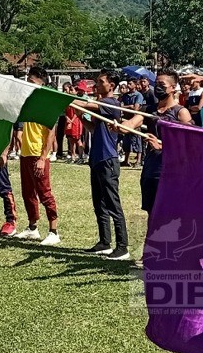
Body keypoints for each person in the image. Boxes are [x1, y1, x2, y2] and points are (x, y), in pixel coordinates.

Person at [73, 70, 129, 260]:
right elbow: (93, 129)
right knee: (99, 204)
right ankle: (105, 242)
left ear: (111, 86)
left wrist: (69, 100)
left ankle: (122, 246)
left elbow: (86, 103)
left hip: (108, 160)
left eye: (100, 81)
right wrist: (80, 116)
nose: (97, 84)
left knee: (113, 204)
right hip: (97, 158)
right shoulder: (101, 106)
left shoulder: (110, 103)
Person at [122, 69, 193, 216]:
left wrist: (162, 146)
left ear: (173, 87)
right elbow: (132, 123)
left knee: (171, 217)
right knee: (152, 215)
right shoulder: (149, 110)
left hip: (173, 172)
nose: (158, 88)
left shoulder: (181, 113)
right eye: (157, 84)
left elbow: (190, 143)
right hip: (151, 170)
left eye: (162, 84)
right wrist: (119, 126)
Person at [12, 67, 62, 244]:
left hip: (38, 154)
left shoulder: (48, 103)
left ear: (42, 82)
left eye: (32, 82)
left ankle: (53, 231)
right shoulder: (29, 101)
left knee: (44, 192)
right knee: (28, 193)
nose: (28, 84)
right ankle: (32, 227)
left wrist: (42, 158)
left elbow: (51, 134)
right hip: (25, 152)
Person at [121, 81, 146, 167]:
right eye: (128, 83)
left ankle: (138, 160)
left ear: (135, 85)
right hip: (126, 120)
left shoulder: (138, 95)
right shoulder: (125, 95)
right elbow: (120, 106)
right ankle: (126, 160)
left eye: (130, 83)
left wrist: (129, 107)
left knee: (137, 140)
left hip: (136, 120)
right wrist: (129, 106)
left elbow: (136, 108)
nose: (128, 85)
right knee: (126, 140)